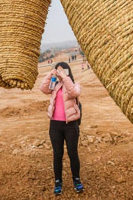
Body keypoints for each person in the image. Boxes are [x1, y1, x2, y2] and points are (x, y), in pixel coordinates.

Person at [40, 62, 84, 195]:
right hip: (55, 125)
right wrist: (51, 74)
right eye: (58, 70)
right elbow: (43, 88)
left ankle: (76, 180)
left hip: (70, 125)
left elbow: (74, 92)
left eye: (63, 70)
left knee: (73, 153)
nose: (60, 72)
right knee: (57, 155)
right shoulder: (54, 86)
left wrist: (65, 77)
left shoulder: (74, 85)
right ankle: (58, 182)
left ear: (68, 71)